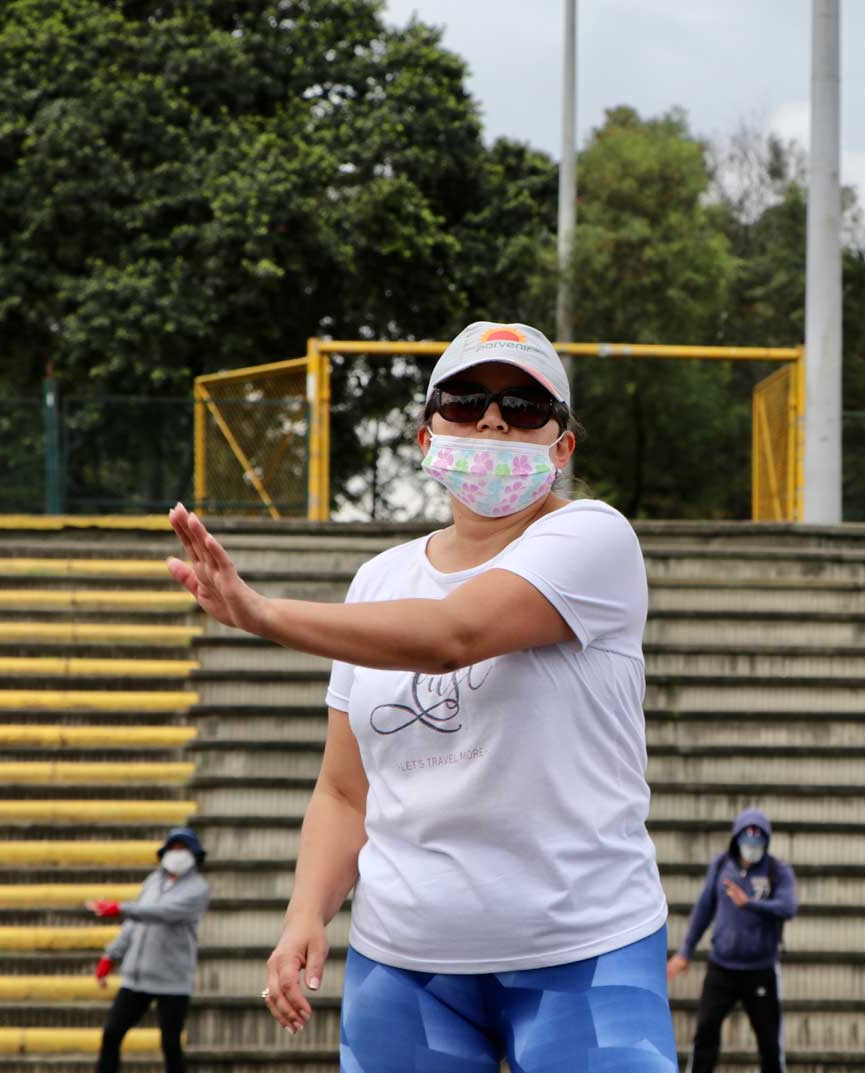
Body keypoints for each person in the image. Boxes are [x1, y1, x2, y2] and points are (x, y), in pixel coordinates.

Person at [162, 322, 677, 1073]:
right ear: (426, 434)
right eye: (465, 401)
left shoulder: (595, 539)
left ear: (562, 446)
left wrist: (262, 614)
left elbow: (453, 634)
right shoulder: (378, 580)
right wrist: (307, 911)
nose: (493, 420)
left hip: (584, 950)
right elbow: (344, 790)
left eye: (525, 407)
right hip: (406, 964)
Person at [668, 808, 797, 1073]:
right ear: (736, 839)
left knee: (770, 1043)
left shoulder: (777, 871)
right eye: (747, 840)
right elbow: (703, 910)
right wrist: (685, 952)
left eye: (758, 841)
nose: (752, 846)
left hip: (760, 970)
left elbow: (788, 907)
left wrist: (748, 903)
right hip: (722, 969)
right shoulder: (721, 866)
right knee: (705, 1033)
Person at [89, 826, 210, 1073]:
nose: (178, 853)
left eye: (184, 849)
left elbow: (163, 913)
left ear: (194, 854)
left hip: (172, 981)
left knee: (170, 1044)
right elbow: (134, 923)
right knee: (112, 1034)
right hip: (137, 977)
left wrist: (121, 908)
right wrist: (110, 955)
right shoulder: (154, 881)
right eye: (174, 848)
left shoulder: (198, 889)